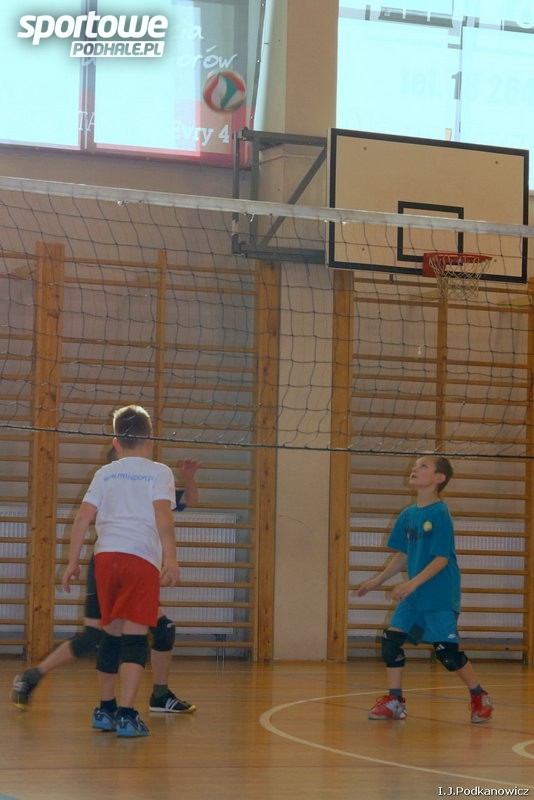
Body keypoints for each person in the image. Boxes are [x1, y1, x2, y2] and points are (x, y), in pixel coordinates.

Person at [11, 454, 201, 717]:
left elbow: (188, 499)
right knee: (96, 637)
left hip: (132, 566)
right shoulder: (116, 482)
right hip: (112, 566)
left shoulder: (150, 484)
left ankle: (158, 695)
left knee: (163, 628)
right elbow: (85, 517)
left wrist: (189, 479)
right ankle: (36, 677)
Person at [47, 404, 179, 737]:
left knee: (110, 633)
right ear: (150, 441)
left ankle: (104, 710)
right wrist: (172, 559)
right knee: (135, 637)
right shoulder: (159, 472)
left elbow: (82, 519)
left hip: (105, 558)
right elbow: (163, 517)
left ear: (116, 443)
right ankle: (127, 715)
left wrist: (72, 562)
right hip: (139, 559)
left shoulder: (105, 473)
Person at [356, 454, 494, 725]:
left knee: (447, 653)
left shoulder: (440, 513)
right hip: (414, 595)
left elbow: (442, 559)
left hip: (439, 594)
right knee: (391, 642)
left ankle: (479, 696)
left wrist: (411, 583)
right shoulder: (408, 515)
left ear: (439, 478)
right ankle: (395, 701)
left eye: (423, 466)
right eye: (415, 465)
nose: (415, 469)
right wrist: (378, 580)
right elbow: (404, 554)